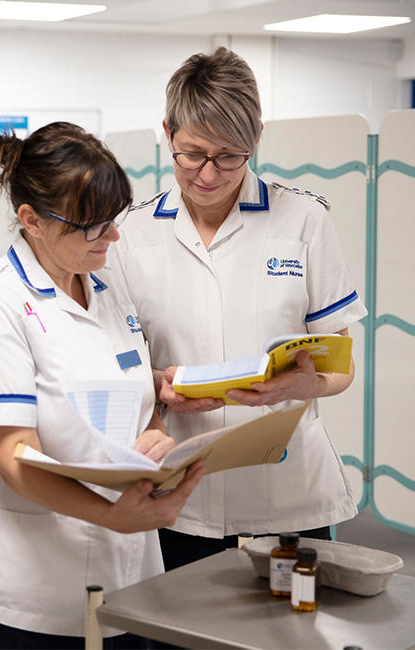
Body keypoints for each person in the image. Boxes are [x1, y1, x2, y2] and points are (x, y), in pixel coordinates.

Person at [0, 122, 204, 649]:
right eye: (92, 225)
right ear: (31, 220)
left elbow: (132, 396)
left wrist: (153, 433)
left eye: (114, 219)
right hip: (33, 590)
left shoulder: (104, 288)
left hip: (130, 577)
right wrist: (110, 514)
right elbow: (14, 454)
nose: (113, 236)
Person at [113, 47, 368, 572]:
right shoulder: (128, 234)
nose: (209, 174)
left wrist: (306, 385)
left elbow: (341, 368)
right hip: (179, 494)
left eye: (230, 156)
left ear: (255, 141)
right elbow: (115, 366)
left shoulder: (303, 220)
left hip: (288, 493)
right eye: (192, 153)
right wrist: (153, 387)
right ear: (168, 133)